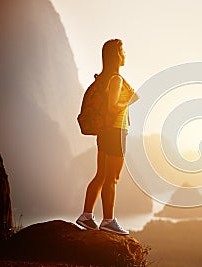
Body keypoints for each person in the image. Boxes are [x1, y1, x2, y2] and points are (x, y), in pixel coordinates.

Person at [76, 39, 139, 235]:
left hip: (105, 131)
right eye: (122, 51)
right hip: (115, 131)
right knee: (113, 177)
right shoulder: (116, 80)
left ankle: (86, 216)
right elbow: (112, 107)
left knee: (101, 175)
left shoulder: (104, 79)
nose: (125, 55)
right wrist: (126, 103)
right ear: (116, 56)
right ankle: (108, 221)